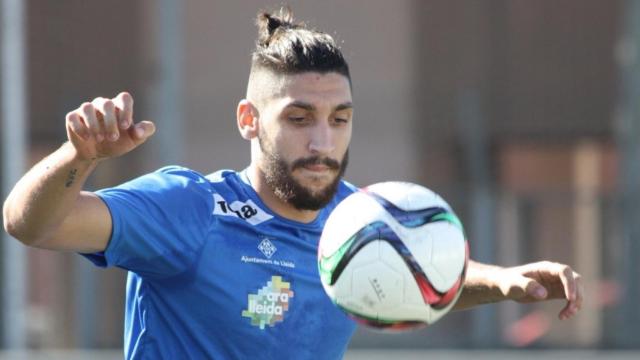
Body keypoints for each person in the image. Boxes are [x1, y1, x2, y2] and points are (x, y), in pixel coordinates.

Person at [3, 8, 582, 360]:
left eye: (340, 119)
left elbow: (424, 278)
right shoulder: (191, 208)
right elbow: (31, 223)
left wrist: (503, 281)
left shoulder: (355, 220)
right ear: (249, 121)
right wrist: (76, 156)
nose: (322, 143)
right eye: (299, 119)